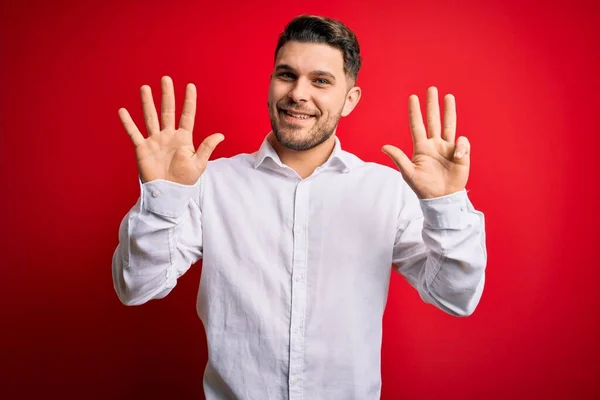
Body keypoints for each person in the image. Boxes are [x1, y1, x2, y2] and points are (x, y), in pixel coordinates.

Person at [112, 14, 486, 400]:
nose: (298, 94)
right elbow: (137, 287)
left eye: (320, 81)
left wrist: (446, 204)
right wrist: (163, 194)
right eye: (287, 75)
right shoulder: (209, 182)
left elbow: (455, 296)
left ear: (350, 99)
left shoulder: (387, 190)